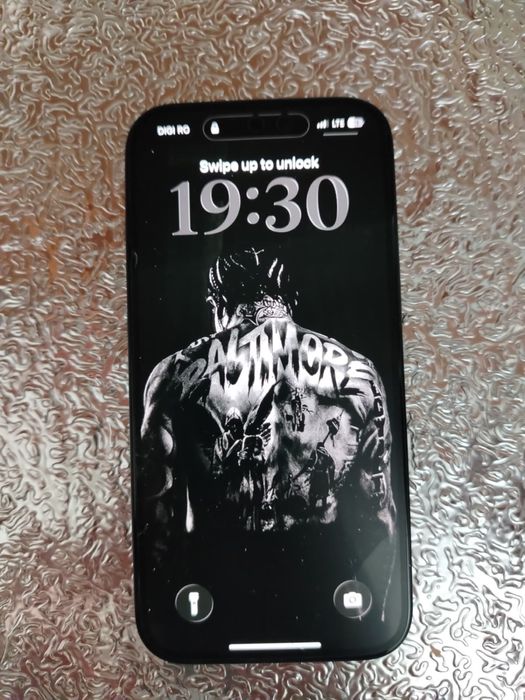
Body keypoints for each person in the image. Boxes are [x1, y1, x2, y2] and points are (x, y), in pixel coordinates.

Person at [140, 247, 396, 541]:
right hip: (316, 558)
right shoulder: (358, 371)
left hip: (218, 560)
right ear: (290, 303)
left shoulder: (175, 373)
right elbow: (378, 515)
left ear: (217, 305)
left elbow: (155, 513)